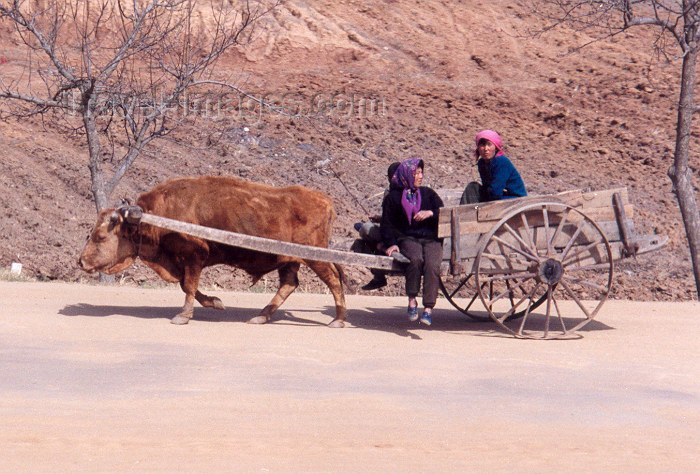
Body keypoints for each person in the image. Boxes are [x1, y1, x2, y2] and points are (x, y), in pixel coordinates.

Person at [381, 158, 443, 325]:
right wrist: (392, 244)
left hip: (431, 239)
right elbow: (387, 224)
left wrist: (430, 213)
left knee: (433, 265)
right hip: (407, 238)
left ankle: (428, 308)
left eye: (421, 172)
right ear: (406, 175)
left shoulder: (428, 194)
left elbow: (443, 213)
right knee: (415, 259)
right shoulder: (393, 198)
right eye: (416, 173)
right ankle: (412, 300)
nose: (420, 176)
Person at [353, 161, 401, 291]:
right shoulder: (394, 191)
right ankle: (378, 275)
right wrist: (379, 218)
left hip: (396, 235)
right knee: (363, 228)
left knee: (365, 229)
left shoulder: (400, 194)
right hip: (391, 230)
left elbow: (396, 221)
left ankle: (378, 276)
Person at [460, 129, 527, 204]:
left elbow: (495, 191)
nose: (486, 149)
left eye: (489, 144)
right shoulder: (481, 163)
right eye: (482, 145)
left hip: (513, 198)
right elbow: (487, 186)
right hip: (496, 196)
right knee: (472, 188)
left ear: (495, 147)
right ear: (478, 148)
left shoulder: (501, 162)